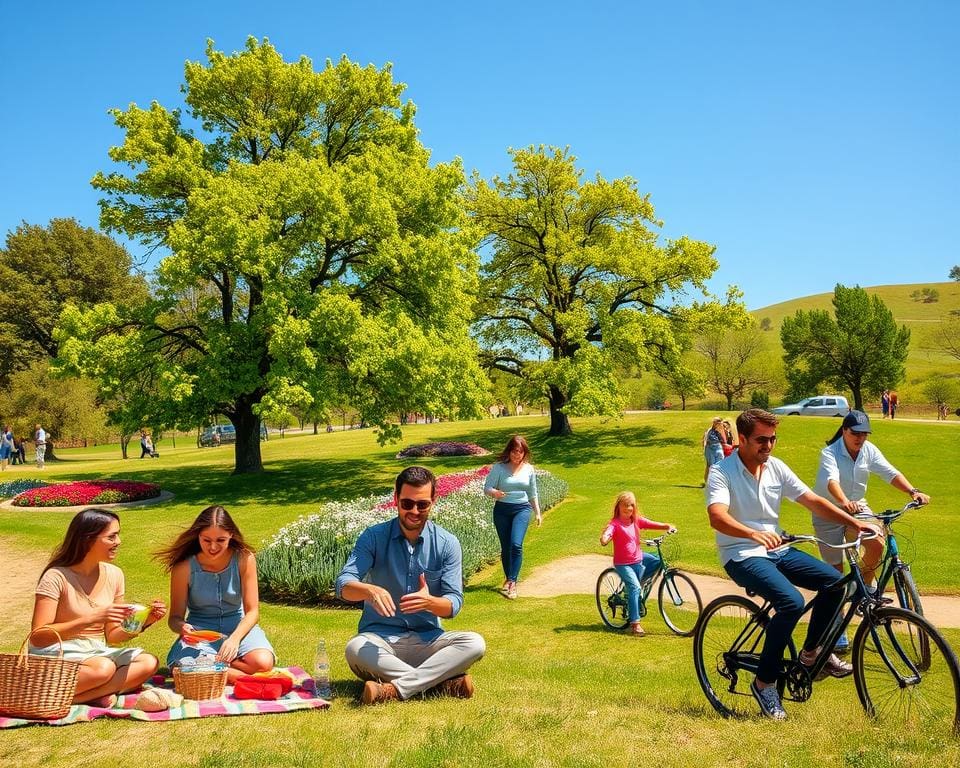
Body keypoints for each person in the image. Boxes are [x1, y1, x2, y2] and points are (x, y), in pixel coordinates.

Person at [706, 408, 879, 721]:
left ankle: (811, 655)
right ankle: (764, 682)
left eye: (773, 439)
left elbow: (812, 500)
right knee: (791, 601)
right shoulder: (723, 471)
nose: (768, 446)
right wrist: (752, 533)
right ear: (742, 439)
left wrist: (854, 521)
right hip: (741, 553)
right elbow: (717, 516)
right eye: (761, 440)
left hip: (776, 549)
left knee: (836, 584)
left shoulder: (776, 468)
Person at [336, 465, 485, 705]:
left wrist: (430, 602)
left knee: (474, 643)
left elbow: (454, 604)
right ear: (395, 499)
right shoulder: (373, 536)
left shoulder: (447, 543)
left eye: (422, 504)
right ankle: (439, 685)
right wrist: (369, 590)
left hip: (428, 641)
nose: (414, 511)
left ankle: (395, 689)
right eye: (407, 504)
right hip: (380, 641)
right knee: (355, 648)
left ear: (433, 501)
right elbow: (343, 583)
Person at [813, 410, 929, 649]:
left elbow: (890, 472)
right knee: (834, 577)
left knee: (877, 542)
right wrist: (844, 501)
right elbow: (830, 481)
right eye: (855, 433)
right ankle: (837, 630)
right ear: (844, 430)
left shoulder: (868, 450)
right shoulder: (830, 453)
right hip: (829, 511)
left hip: (858, 508)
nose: (860, 438)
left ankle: (861, 586)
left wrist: (913, 491)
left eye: (864, 433)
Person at [29, 509, 166, 706]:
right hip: (57, 651)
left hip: (94, 652)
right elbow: (38, 636)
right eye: (112, 536)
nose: (118, 541)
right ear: (88, 540)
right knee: (103, 668)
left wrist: (144, 622)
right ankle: (92, 692)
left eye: (118, 534)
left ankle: (80, 697)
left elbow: (113, 635)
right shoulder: (56, 576)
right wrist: (91, 618)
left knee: (148, 662)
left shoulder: (115, 574)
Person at [155, 505, 274, 683]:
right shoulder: (184, 567)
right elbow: (175, 618)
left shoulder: (244, 559)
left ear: (231, 535)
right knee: (183, 664)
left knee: (263, 663)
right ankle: (246, 679)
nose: (212, 547)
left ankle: (211, 666)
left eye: (221, 540)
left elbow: (253, 612)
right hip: (200, 631)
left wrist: (234, 640)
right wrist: (183, 627)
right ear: (198, 536)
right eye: (206, 540)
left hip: (238, 626)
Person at [599, 491, 675, 636]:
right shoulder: (615, 523)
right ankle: (635, 624)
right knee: (634, 587)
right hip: (623, 564)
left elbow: (650, 523)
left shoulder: (635, 520)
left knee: (659, 561)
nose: (629, 508)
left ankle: (638, 585)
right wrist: (605, 538)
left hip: (638, 558)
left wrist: (667, 526)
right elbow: (609, 532)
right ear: (619, 506)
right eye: (625, 505)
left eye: (631, 505)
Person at [483, 435, 542, 600]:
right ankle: (509, 579)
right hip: (502, 510)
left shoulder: (529, 469)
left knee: (516, 544)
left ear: (525, 453)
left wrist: (537, 512)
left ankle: (512, 582)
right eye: (515, 451)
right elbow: (487, 487)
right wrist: (494, 492)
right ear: (509, 452)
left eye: (521, 452)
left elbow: (532, 492)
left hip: (522, 509)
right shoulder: (499, 468)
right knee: (506, 546)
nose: (517, 455)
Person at [702, 417, 725, 485]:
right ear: (714, 423)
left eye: (719, 423)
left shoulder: (721, 430)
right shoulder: (709, 430)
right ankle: (708, 482)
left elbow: (724, 440)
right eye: (717, 423)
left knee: (720, 465)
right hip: (710, 449)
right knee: (710, 466)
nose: (719, 425)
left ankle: (717, 482)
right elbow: (705, 439)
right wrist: (704, 446)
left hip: (718, 448)